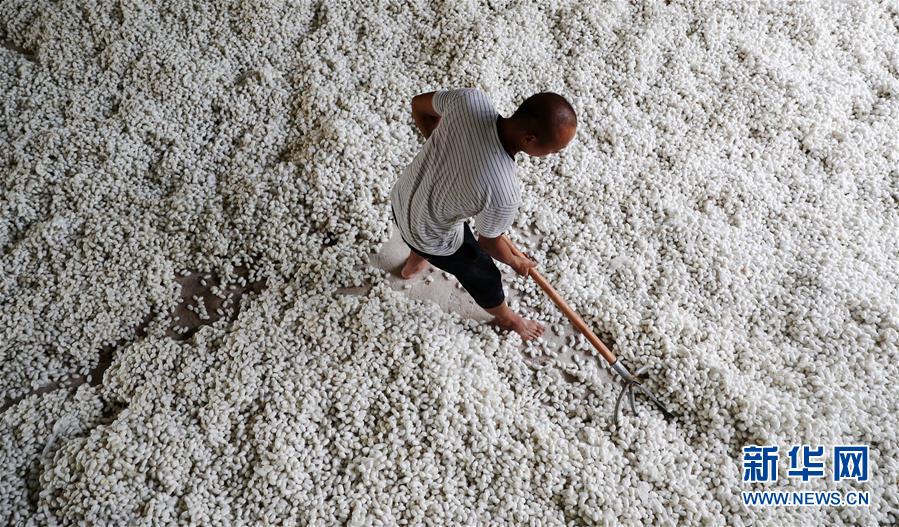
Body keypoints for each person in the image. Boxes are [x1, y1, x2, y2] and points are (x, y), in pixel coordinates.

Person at [389, 88, 577, 341]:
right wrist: (515, 261)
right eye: (555, 150)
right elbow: (488, 242)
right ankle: (508, 318)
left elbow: (418, 105)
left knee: (425, 225)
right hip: (431, 235)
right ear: (530, 139)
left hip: (403, 197)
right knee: (483, 274)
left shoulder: (469, 101)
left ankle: (413, 264)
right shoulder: (503, 191)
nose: (553, 155)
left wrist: (442, 149)